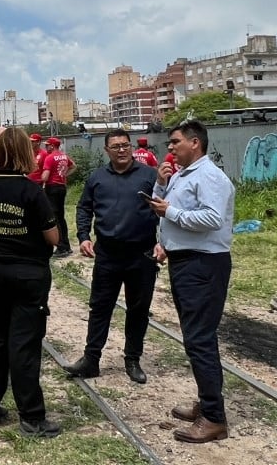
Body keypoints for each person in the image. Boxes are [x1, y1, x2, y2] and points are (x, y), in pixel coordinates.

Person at [0, 127, 61, 438]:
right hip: (28, 275)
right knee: (24, 345)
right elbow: (54, 237)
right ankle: (32, 417)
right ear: (24, 154)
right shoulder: (32, 192)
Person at [149, 120, 235, 444]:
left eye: (175, 142)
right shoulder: (185, 175)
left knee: (200, 340)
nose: (170, 148)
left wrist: (170, 213)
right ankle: (207, 402)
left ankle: (214, 418)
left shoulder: (209, 177)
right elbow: (171, 213)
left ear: (194, 142)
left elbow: (211, 218)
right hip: (186, 261)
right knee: (194, 338)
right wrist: (165, 241)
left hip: (203, 265)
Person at [63, 129, 159, 384]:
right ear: (106, 150)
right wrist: (83, 236)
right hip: (107, 254)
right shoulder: (97, 178)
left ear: (131, 148)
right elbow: (84, 207)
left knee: (138, 309)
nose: (121, 150)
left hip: (142, 254)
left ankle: (132, 359)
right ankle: (91, 359)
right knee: (100, 307)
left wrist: (165, 243)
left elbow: (166, 208)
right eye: (115, 146)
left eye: (125, 145)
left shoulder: (150, 176)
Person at [41, 137, 76, 258]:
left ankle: (61, 247)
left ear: (52, 146)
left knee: (54, 218)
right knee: (61, 217)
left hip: (52, 188)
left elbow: (45, 177)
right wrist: (63, 175)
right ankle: (66, 245)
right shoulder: (64, 156)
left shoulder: (49, 158)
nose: (45, 147)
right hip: (62, 187)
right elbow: (73, 166)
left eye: (47, 145)